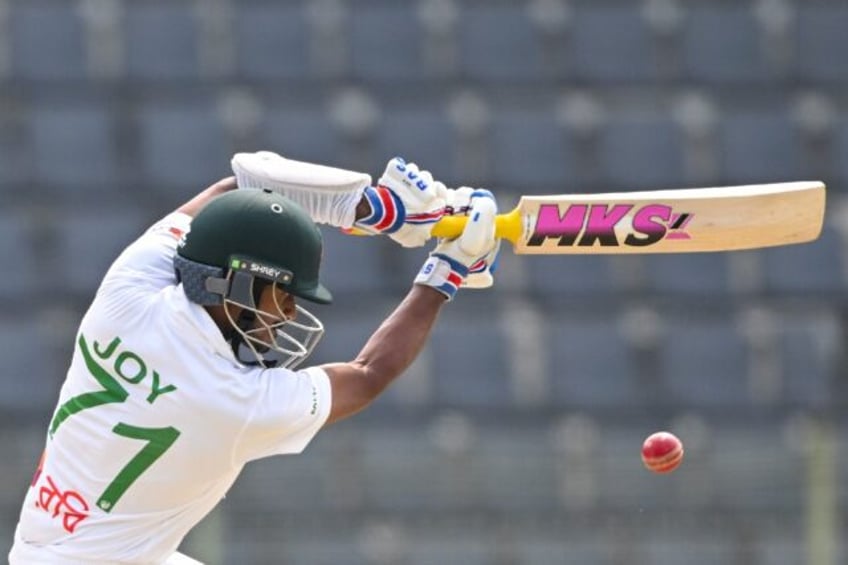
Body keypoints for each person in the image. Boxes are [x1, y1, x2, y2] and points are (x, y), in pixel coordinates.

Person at [9, 153, 499, 564]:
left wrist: (375, 207)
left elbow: (234, 191)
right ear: (237, 283)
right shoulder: (234, 400)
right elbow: (368, 374)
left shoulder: (129, 286)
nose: (289, 311)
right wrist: (447, 270)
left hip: (46, 549)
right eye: (285, 293)